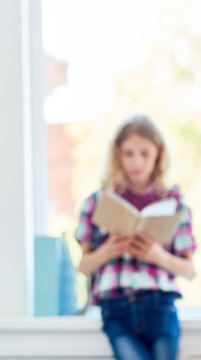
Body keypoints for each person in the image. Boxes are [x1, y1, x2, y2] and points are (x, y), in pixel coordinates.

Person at [75, 114, 196, 360]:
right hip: (115, 308)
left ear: (158, 154)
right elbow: (84, 265)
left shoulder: (174, 203)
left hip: (159, 305)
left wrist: (157, 256)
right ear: (117, 155)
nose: (136, 161)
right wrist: (109, 250)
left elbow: (189, 269)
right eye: (128, 153)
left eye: (144, 153)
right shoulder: (98, 201)